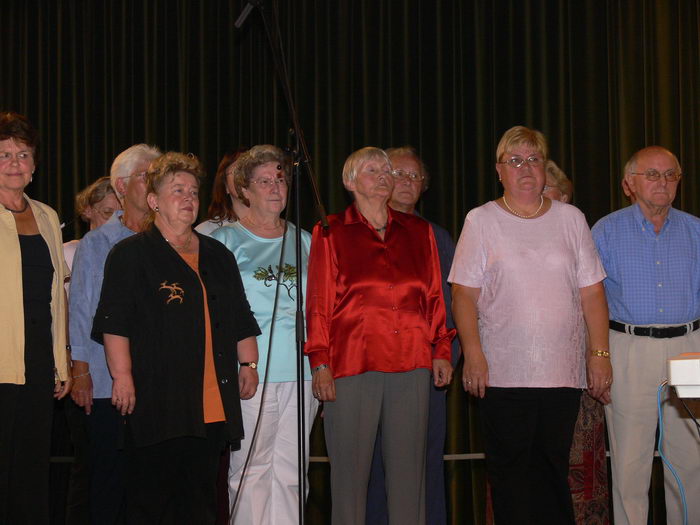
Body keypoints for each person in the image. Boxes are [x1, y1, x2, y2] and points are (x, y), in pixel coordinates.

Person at [449, 126, 611, 525]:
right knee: (510, 477)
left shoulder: (571, 219)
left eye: (534, 159)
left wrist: (600, 354)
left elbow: (592, 294)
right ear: (499, 171)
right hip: (502, 373)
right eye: (515, 160)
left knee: (554, 472)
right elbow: (464, 296)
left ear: (544, 168)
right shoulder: (481, 220)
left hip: (562, 373)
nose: (526, 168)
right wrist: (473, 354)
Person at [91, 152, 261, 524]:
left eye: (194, 192)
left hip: (211, 401)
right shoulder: (131, 254)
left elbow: (239, 314)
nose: (188, 198)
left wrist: (248, 362)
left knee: (200, 501)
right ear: (153, 201)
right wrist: (122, 377)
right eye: (177, 190)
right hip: (157, 401)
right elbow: (115, 322)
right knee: (152, 502)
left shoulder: (217, 254)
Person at [305, 146, 454, 525]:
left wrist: (441, 349)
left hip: (413, 364)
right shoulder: (330, 231)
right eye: (373, 169)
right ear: (350, 181)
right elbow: (319, 304)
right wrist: (320, 361)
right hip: (353, 365)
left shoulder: (420, 233)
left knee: (410, 479)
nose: (386, 175)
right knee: (350, 480)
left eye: (388, 169)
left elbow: (434, 295)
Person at [209, 144, 319, 524]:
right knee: (251, 468)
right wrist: (243, 361)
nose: (275, 188)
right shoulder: (225, 242)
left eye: (280, 179)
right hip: (250, 371)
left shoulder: (307, 241)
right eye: (264, 181)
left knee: (291, 471)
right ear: (244, 190)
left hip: (301, 370)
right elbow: (218, 315)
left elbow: (320, 310)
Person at [592, 146, 700, 525]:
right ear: (628, 184)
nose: (663, 182)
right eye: (652, 174)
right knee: (630, 463)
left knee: (691, 460)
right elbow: (590, 303)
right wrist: (598, 357)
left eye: (671, 174)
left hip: (690, 351)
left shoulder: (696, 230)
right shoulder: (605, 231)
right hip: (629, 347)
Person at [68, 144, 162, 524]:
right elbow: (82, 309)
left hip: (159, 384)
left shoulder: (171, 238)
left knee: (152, 484)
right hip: (107, 384)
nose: (157, 183)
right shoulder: (97, 243)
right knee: (110, 479)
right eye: (148, 176)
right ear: (122, 186)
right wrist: (80, 371)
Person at [366, 146, 457, 525]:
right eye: (397, 174)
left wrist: (447, 357)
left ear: (424, 186)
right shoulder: (357, 232)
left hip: (424, 371)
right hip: (367, 372)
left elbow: (453, 308)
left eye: (414, 176)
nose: (406, 182)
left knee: (425, 463)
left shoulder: (437, 238)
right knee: (371, 470)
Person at [0, 111, 71, 524]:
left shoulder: (46, 215)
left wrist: (60, 361)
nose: (14, 163)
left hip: (38, 361)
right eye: (5, 154)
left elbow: (56, 295)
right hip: (2, 360)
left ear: (34, 165)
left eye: (22, 154)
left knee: (30, 470)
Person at [543, 161, 610, 525]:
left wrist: (598, 355)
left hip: (578, 364)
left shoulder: (579, 234)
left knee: (580, 457)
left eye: (548, 190)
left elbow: (596, 298)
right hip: (528, 369)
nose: (538, 197)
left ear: (565, 197)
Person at [64, 176, 121, 273]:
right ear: (88, 211)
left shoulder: (129, 252)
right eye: (107, 213)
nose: (115, 222)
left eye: (121, 215)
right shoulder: (68, 252)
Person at [196, 151, 249, 235]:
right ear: (226, 186)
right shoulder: (207, 232)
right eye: (237, 171)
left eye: (249, 170)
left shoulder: (274, 227)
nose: (243, 176)